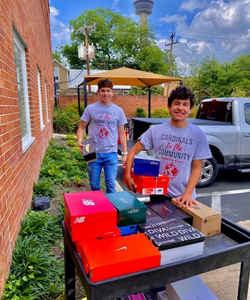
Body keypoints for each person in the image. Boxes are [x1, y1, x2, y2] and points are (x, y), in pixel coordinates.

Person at [125, 85, 212, 207]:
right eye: (176, 103)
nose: (180, 108)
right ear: (169, 107)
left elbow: (197, 167)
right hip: (158, 193)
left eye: (185, 104)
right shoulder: (155, 131)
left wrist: (187, 193)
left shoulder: (198, 134)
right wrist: (128, 176)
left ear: (191, 109)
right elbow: (132, 152)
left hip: (184, 198)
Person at [77, 78, 128, 194]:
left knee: (110, 185)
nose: (106, 94)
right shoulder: (90, 108)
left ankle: (110, 209)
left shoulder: (119, 111)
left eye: (108, 91)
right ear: (98, 92)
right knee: (94, 184)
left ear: (112, 92)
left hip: (111, 152)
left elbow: (122, 134)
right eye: (103, 91)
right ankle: (101, 204)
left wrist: (125, 153)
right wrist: (79, 141)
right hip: (91, 150)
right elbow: (81, 127)